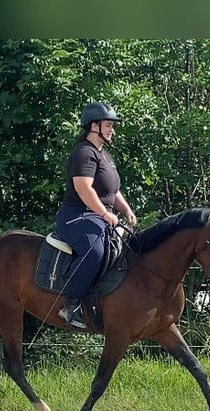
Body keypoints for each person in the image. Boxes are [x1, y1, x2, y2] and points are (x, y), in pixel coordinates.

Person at [54, 101, 137, 329]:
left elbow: (113, 190)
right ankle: (70, 306)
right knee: (96, 251)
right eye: (109, 125)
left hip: (96, 216)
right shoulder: (83, 153)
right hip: (76, 216)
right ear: (94, 126)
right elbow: (84, 189)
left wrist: (126, 210)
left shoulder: (105, 156)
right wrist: (104, 213)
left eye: (112, 126)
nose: (112, 130)